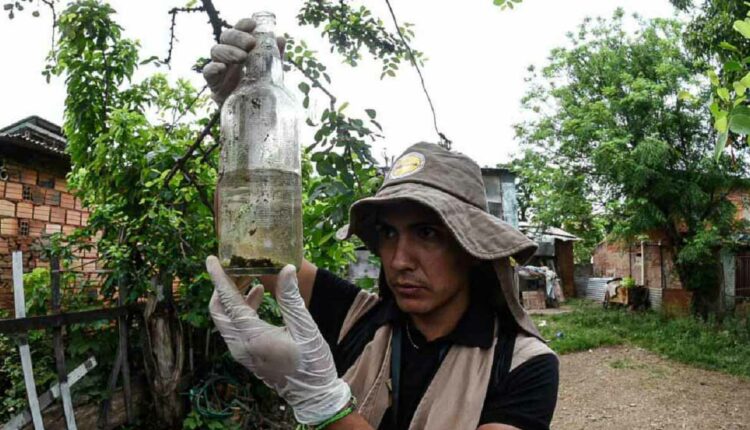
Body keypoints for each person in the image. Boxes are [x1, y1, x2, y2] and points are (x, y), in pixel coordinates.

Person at [205, 18, 559, 430]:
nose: (399, 259)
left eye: (427, 233)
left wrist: (323, 402)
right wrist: (249, 116)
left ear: (472, 249)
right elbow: (259, 247)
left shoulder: (521, 364)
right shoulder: (359, 320)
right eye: (389, 233)